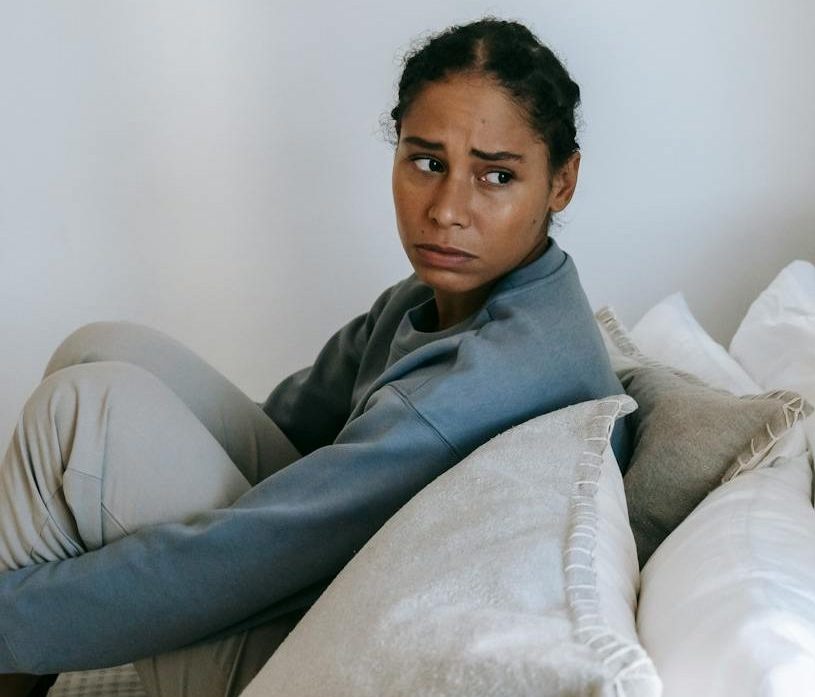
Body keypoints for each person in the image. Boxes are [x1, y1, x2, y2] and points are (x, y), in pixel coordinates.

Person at [0, 18, 626, 697]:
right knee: (99, 349)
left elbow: (254, 553)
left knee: (83, 408)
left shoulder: (485, 376)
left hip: (323, 662)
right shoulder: (431, 300)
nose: (447, 209)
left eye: (496, 175)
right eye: (427, 162)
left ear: (561, 183)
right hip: (331, 586)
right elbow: (288, 435)